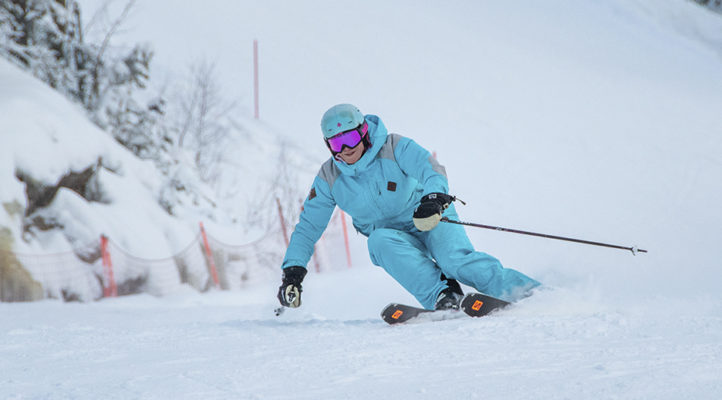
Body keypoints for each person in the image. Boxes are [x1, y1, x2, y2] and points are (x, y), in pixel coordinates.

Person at [277, 104, 540, 311]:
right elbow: (309, 226)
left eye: (351, 138)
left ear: (363, 132)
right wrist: (293, 271)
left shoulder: (393, 146)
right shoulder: (329, 177)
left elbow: (430, 168)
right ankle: (443, 296)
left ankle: (529, 294)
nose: (346, 148)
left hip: (429, 216)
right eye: (336, 143)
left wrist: (434, 198)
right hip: (392, 235)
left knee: (455, 261)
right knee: (378, 242)